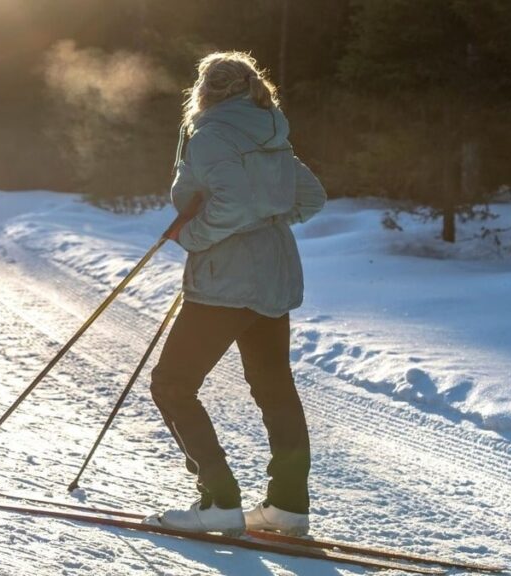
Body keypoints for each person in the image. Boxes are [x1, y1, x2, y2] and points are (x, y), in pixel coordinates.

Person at [144, 51, 326, 536]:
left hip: (227, 279)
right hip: (275, 274)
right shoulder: (271, 131)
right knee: (274, 388)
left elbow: (232, 203)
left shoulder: (210, 136)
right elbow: (309, 198)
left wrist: (192, 235)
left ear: (203, 92)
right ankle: (287, 506)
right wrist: (265, 221)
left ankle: (219, 500)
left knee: (172, 384)